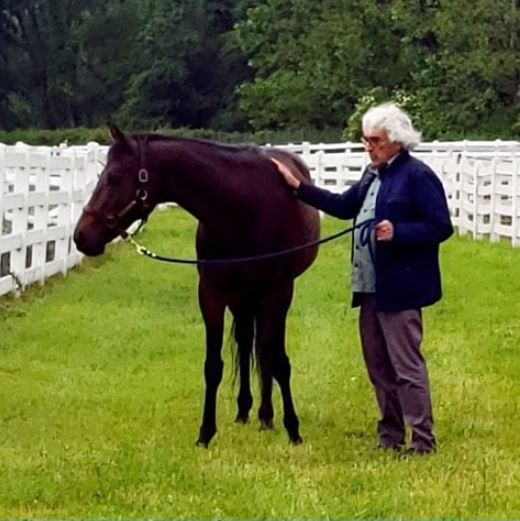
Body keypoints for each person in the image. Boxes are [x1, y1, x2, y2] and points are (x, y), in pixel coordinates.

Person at [272, 103, 453, 456]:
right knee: (378, 367)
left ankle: (422, 441)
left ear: (396, 142)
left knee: (406, 367)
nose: (368, 147)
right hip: (370, 287)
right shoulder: (373, 175)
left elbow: (440, 226)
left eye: (375, 141)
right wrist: (298, 187)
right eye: (365, 140)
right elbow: (343, 205)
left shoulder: (417, 176)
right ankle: (390, 434)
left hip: (401, 287)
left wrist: (399, 231)